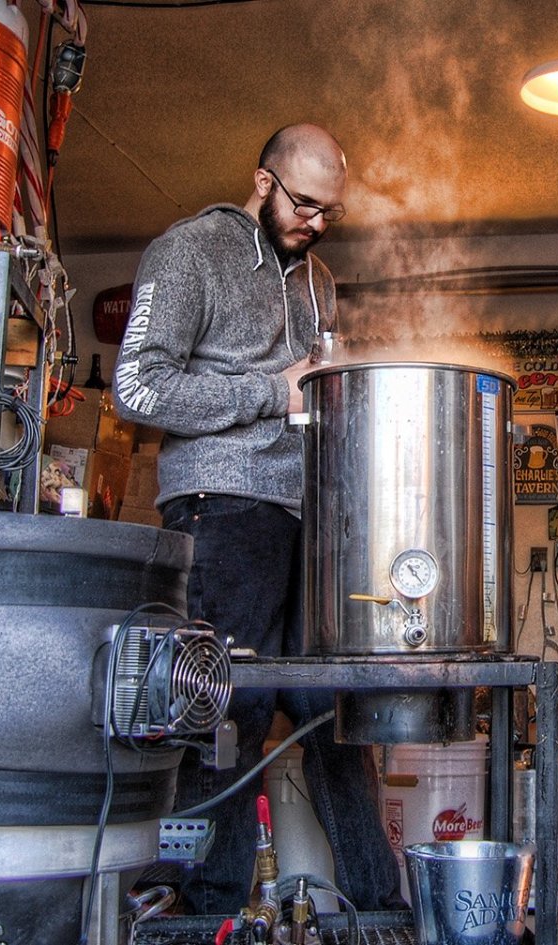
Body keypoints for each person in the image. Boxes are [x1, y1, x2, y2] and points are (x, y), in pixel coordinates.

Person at [112, 123, 402, 916]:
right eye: (305, 204)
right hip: (223, 505)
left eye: (331, 211)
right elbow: (137, 387)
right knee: (225, 707)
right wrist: (273, 391)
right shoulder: (190, 252)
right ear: (264, 182)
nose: (317, 222)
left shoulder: (319, 281)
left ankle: (379, 905)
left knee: (332, 707)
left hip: (309, 517)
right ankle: (204, 907)